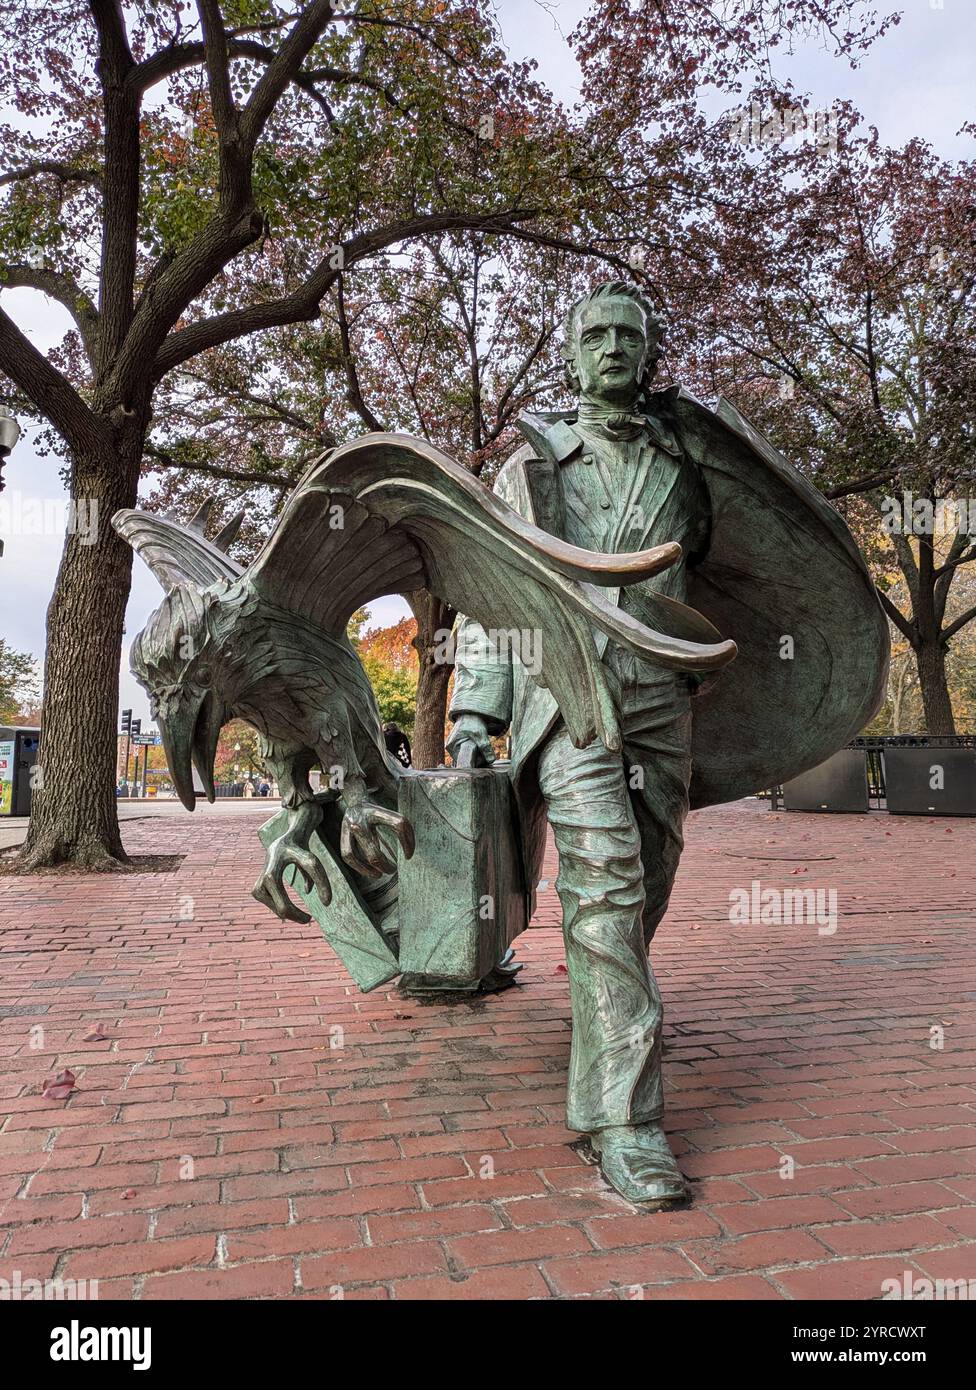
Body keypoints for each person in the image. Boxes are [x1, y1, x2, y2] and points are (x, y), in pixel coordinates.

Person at [447, 281, 707, 1208]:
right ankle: (623, 1121)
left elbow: (726, 578)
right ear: (571, 349)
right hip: (568, 698)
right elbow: (492, 591)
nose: (611, 348)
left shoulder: (687, 465)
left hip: (659, 696)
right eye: (593, 333)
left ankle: (608, 1025)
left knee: (649, 882)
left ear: (647, 351)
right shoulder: (534, 466)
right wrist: (476, 712)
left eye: (627, 336)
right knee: (604, 887)